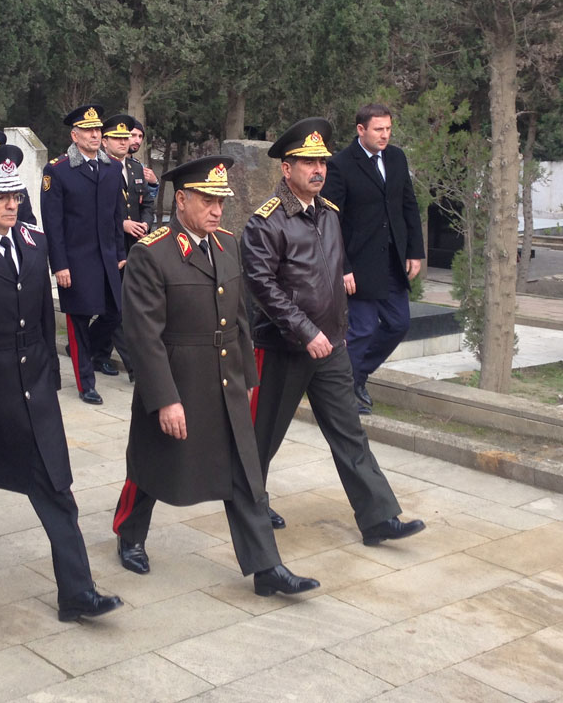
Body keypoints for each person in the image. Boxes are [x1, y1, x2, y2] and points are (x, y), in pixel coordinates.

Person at [0, 143, 122, 621]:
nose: (11, 203)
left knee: (57, 487)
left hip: (32, 390)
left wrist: (51, 382)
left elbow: (38, 318)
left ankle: (77, 592)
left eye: (15, 194)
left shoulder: (34, 243)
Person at [112, 157, 320, 597]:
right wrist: (165, 398)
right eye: (207, 200)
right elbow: (143, 336)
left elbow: (239, 317)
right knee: (155, 463)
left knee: (244, 473)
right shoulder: (151, 253)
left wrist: (246, 374)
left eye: (220, 202)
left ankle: (267, 567)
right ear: (181, 200)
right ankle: (130, 534)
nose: (216, 210)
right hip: (179, 377)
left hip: (224, 379)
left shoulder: (227, 245)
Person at [241, 118, 425, 545]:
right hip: (285, 346)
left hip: (331, 346)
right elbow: (263, 287)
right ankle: (251, 504)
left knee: (349, 432)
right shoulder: (265, 223)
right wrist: (306, 332)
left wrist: (336, 328)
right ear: (286, 169)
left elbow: (333, 272)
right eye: (308, 163)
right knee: (261, 437)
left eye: (321, 161)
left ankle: (379, 517)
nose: (318, 170)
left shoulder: (329, 214)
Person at [322, 103, 425, 413]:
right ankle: (344, 393)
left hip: (393, 261)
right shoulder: (340, 165)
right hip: (359, 265)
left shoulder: (396, 158)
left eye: (388, 129)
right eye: (378, 129)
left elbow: (408, 204)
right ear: (361, 130)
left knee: (399, 324)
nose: (385, 135)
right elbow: (331, 222)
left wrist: (415, 252)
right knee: (363, 328)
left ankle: (357, 376)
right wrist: (343, 268)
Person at [40, 105, 126, 405]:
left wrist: (120, 252)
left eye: (98, 130)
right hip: (76, 260)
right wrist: (59, 265)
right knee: (77, 321)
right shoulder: (58, 170)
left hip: (107, 258)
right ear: (74, 135)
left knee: (115, 313)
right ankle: (85, 382)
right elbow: (53, 223)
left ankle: (88, 352)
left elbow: (117, 214)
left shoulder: (113, 168)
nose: (95, 134)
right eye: (88, 130)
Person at [102, 113, 154, 381]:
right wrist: (122, 224)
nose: (126, 142)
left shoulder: (135, 169)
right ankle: (135, 367)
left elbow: (146, 203)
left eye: (130, 137)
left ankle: (94, 348)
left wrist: (144, 224)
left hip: (136, 245)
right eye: (120, 137)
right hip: (110, 245)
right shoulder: (99, 168)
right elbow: (93, 210)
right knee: (119, 308)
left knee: (125, 306)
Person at [128, 121, 159, 203]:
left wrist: (153, 183)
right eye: (133, 135)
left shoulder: (139, 167)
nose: (137, 141)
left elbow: (147, 201)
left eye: (140, 136)